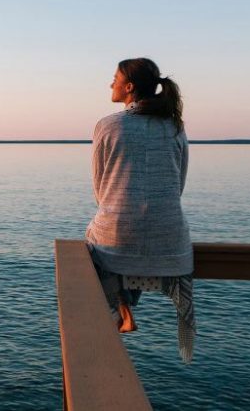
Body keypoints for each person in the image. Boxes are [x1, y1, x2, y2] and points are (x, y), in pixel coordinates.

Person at [85, 57, 195, 363]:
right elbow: (179, 183)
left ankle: (121, 309)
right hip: (171, 237)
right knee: (126, 241)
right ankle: (126, 307)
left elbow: (100, 189)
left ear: (129, 87)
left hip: (119, 234)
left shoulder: (108, 125)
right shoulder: (174, 126)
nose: (110, 84)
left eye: (115, 79)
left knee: (98, 241)